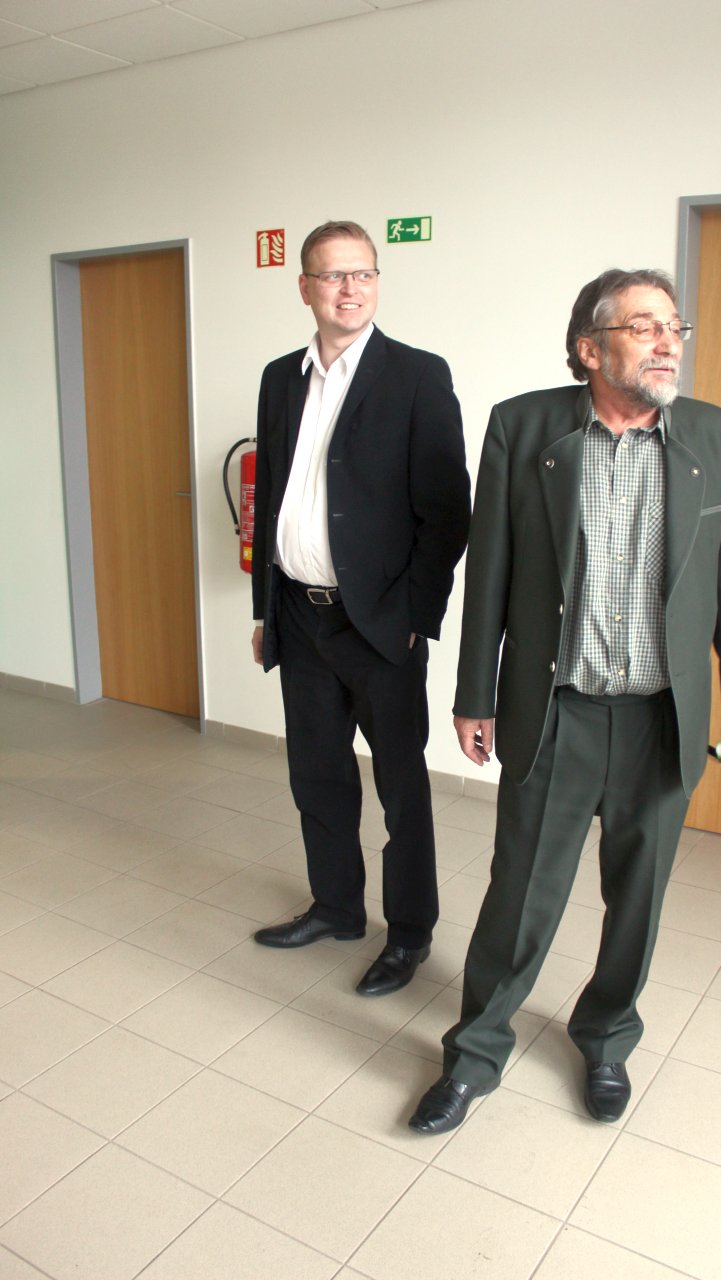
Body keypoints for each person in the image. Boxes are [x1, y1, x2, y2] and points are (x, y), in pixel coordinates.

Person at [409, 268, 721, 1133]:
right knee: (518, 897)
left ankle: (606, 1039)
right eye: (644, 326)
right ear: (588, 347)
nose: (666, 342)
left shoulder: (719, 438)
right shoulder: (523, 427)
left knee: (637, 901)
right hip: (555, 711)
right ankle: (474, 1055)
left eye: (673, 327)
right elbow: (489, 571)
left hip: (661, 720)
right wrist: (472, 695)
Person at [251, 220, 470, 997]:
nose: (349, 289)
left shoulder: (416, 375)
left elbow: (448, 512)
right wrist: (264, 610)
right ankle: (337, 907)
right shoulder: (280, 378)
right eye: (332, 275)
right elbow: (270, 496)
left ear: (376, 282)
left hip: (380, 624)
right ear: (305, 288)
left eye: (362, 274)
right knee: (316, 775)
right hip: (298, 613)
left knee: (401, 789)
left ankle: (408, 934)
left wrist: (414, 615)